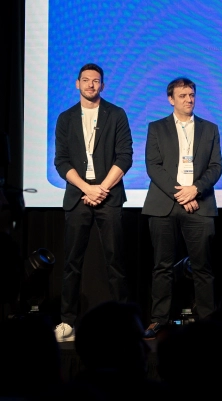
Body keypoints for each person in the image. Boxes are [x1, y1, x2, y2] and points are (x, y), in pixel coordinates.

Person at [53, 63, 133, 342]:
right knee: (72, 262)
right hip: (78, 196)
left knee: (115, 261)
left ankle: (123, 321)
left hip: (109, 196)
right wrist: (87, 188)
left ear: (102, 85)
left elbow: (125, 157)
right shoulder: (66, 118)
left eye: (96, 81)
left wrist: (102, 188)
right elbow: (61, 160)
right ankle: (67, 322)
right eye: (85, 80)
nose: (90, 85)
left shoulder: (116, 114)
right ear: (77, 84)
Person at [141, 77, 222, 339]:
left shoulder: (210, 129)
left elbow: (216, 167)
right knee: (162, 265)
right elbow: (153, 166)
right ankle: (158, 320)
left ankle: (208, 320)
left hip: (200, 203)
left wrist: (195, 189)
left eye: (192, 95)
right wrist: (181, 194)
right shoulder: (156, 128)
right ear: (171, 99)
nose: (189, 99)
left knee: (202, 266)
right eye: (183, 95)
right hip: (164, 204)